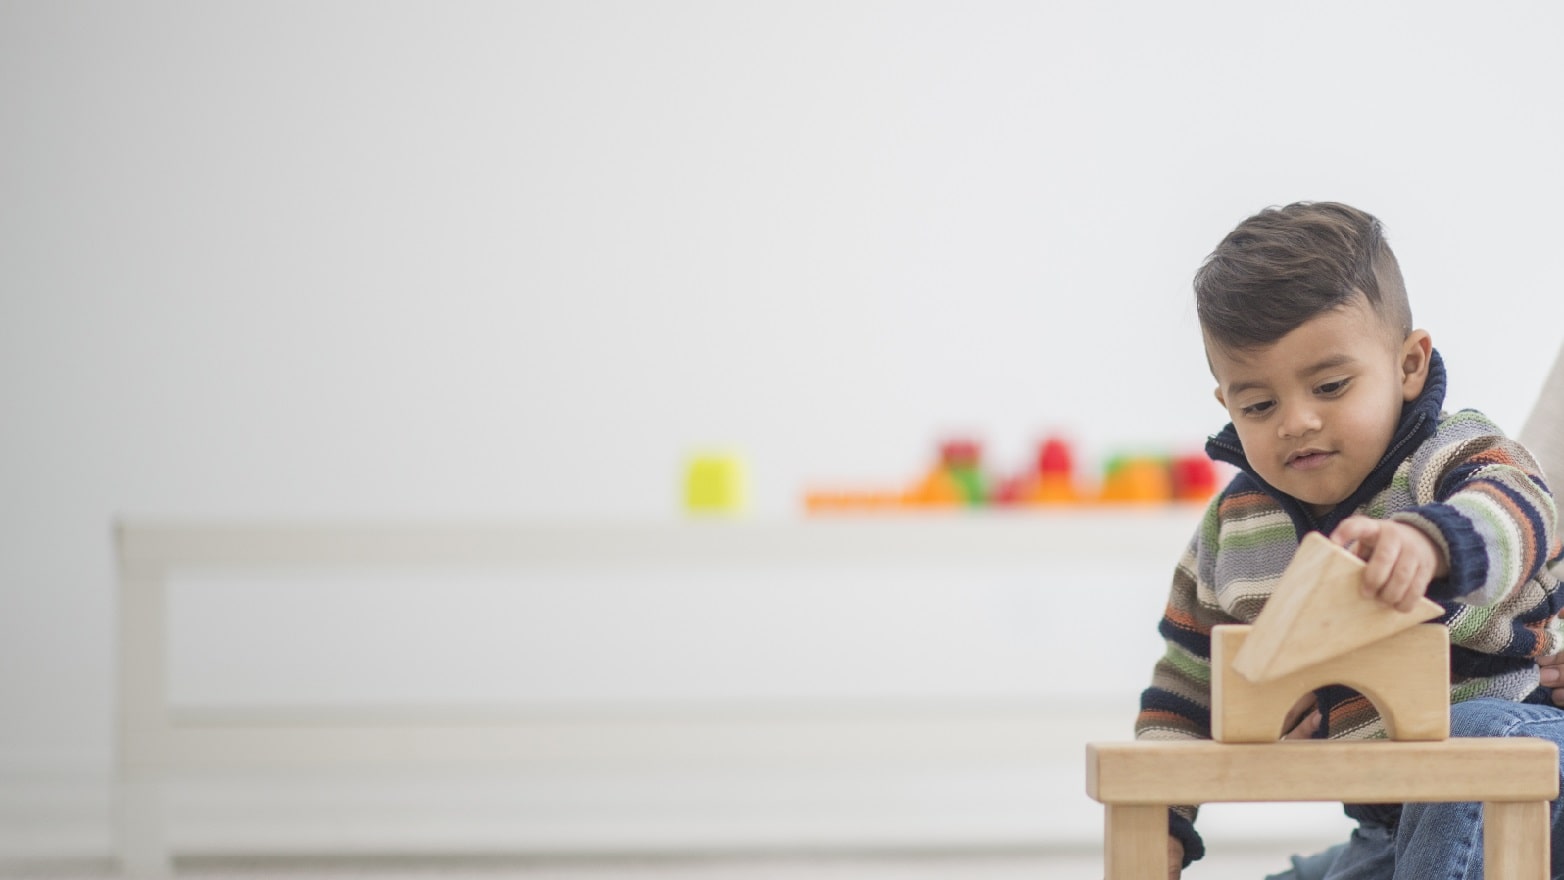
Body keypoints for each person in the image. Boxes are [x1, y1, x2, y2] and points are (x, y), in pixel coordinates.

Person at [1137, 201, 1564, 880]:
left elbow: (1521, 509)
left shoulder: (1449, 457)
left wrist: (1432, 544)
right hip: (1387, 823)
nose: (1297, 422)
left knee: (1473, 739)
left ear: (1409, 364)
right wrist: (1160, 823)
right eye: (1259, 405)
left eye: (1331, 386)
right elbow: (1188, 687)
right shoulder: (1233, 530)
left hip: (1527, 767)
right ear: (1226, 404)